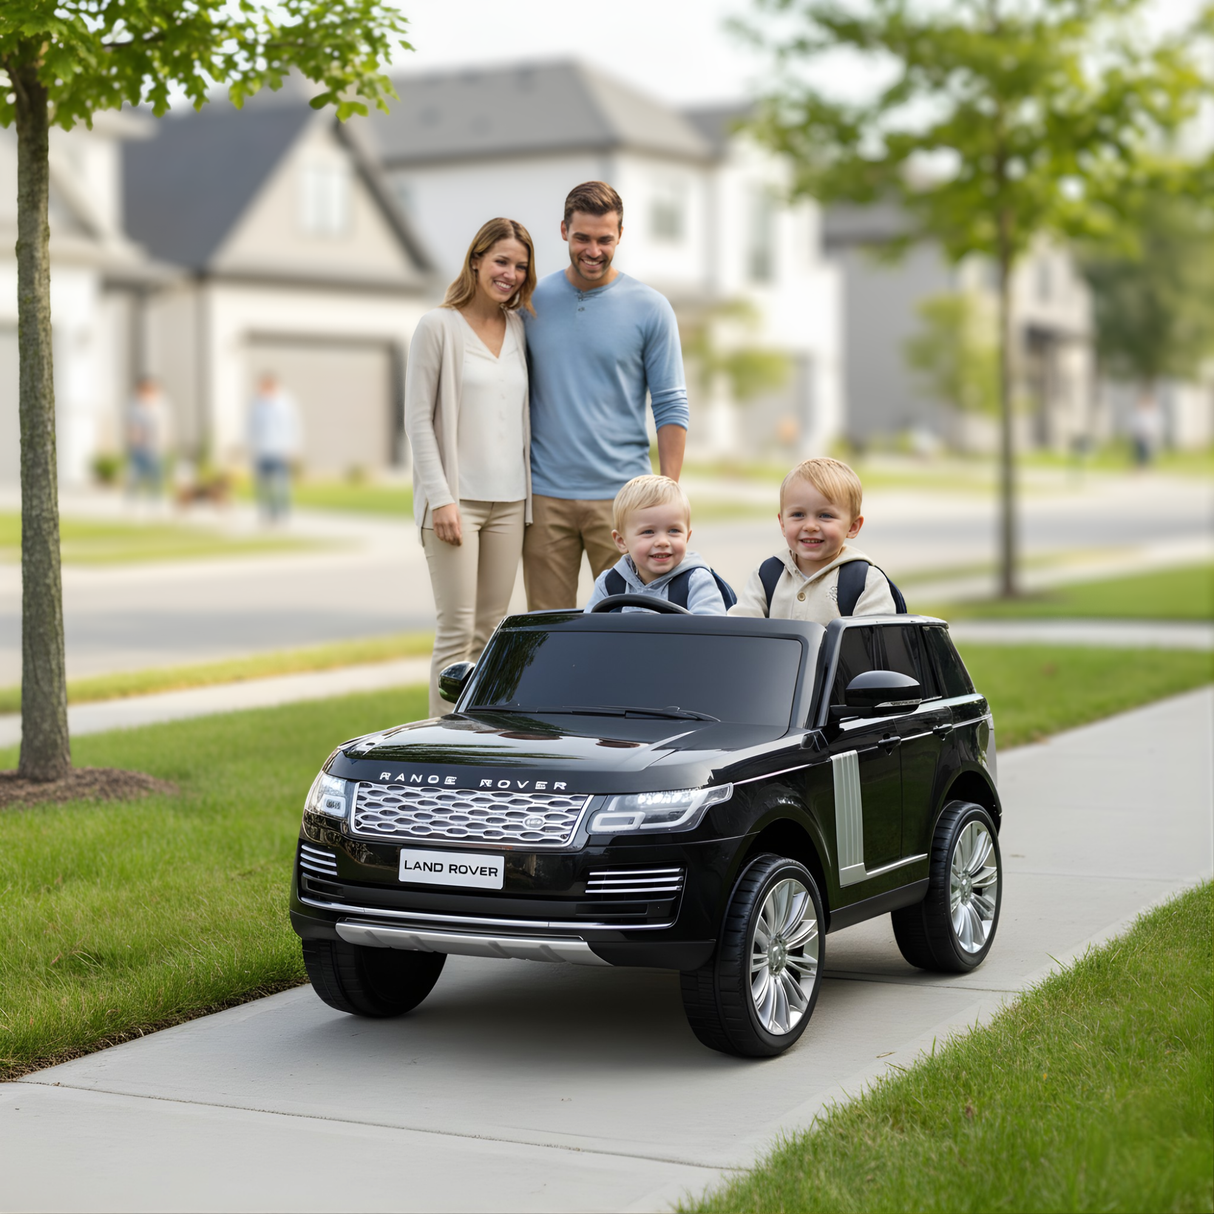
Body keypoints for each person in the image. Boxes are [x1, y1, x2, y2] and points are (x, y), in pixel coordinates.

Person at [522, 181, 689, 611]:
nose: (593, 250)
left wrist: (667, 494)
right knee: (548, 629)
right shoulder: (531, 301)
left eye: (604, 239)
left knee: (629, 623)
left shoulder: (651, 307)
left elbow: (670, 403)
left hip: (624, 499)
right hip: (545, 496)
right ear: (564, 230)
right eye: (582, 238)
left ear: (620, 235)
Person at [405, 217, 536, 716]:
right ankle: (442, 742)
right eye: (501, 261)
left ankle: (479, 739)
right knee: (456, 633)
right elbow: (417, 420)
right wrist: (441, 499)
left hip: (511, 503)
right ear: (477, 260)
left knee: (491, 634)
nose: (510, 274)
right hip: (455, 503)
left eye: (520, 266)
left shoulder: (518, 327)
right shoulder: (437, 326)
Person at [730, 457, 897, 621]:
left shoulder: (865, 581)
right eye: (798, 514)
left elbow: (876, 635)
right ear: (782, 524)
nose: (810, 526)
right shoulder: (767, 575)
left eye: (825, 515)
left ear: (852, 527)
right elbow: (738, 630)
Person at [584, 475, 730, 614]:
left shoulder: (695, 581)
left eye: (674, 530)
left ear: (687, 537)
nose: (662, 542)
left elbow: (711, 628)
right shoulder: (609, 584)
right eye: (648, 532)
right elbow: (589, 628)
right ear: (622, 541)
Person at [248, 373, 301, 521]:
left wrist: (293, 447)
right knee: (263, 485)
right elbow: (250, 426)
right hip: (262, 450)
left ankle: (282, 512)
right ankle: (266, 512)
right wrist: (250, 446)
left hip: (280, 450)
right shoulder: (257, 404)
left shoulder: (285, 403)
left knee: (281, 484)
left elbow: (294, 425)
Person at [126, 376, 169, 501]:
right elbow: (132, 425)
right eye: (144, 389)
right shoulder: (134, 405)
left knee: (156, 475)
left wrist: (165, 440)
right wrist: (134, 437)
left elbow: (165, 425)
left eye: (150, 389)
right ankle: (132, 500)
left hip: (155, 446)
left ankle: (155, 500)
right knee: (134, 475)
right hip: (138, 447)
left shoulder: (161, 405)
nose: (146, 392)